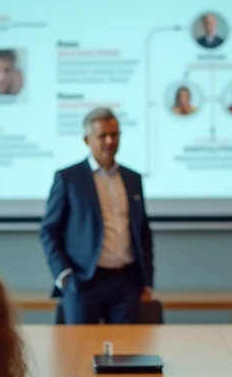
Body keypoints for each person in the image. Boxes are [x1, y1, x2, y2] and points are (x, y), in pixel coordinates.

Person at [40, 107, 154, 324]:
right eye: (102, 135)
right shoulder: (68, 178)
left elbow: (143, 231)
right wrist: (64, 276)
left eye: (115, 135)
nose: (110, 141)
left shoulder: (133, 179)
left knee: (126, 353)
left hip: (126, 283)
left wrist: (146, 281)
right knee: (79, 353)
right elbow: (48, 230)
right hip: (84, 282)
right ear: (87, 139)